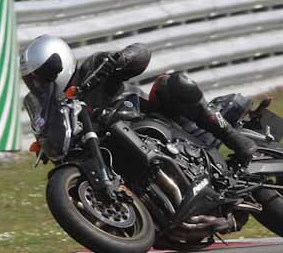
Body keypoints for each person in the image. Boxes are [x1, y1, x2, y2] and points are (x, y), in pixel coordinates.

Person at [20, 35, 256, 165]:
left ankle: (233, 138)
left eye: (41, 75)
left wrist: (122, 59)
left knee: (171, 83)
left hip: (161, 125)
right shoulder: (57, 111)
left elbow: (142, 52)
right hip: (127, 159)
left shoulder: (92, 69)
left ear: (59, 64)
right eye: (32, 80)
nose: (38, 84)